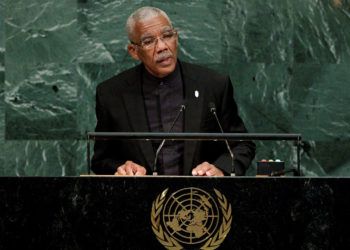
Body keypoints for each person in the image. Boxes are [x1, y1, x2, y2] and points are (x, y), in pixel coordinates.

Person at [91, 6, 255, 176]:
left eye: (167, 36)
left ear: (176, 37)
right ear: (134, 51)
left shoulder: (212, 85)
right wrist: (122, 168)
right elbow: (101, 160)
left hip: (199, 197)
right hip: (140, 198)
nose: (162, 47)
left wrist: (221, 169)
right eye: (148, 41)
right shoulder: (111, 94)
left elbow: (242, 144)